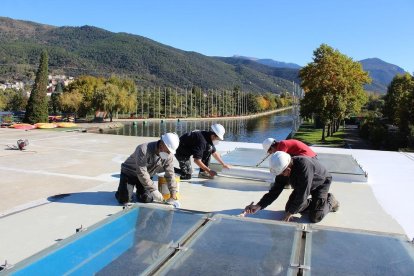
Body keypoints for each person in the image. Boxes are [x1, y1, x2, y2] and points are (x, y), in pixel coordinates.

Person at [244, 151, 339, 223]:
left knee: (315, 217)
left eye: (282, 173)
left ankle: (330, 201)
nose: (281, 176)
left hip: (321, 183)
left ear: (288, 170)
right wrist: (259, 205)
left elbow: (303, 193)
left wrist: (291, 213)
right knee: (289, 208)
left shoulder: (304, 166)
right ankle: (313, 203)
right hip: (303, 185)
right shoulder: (282, 170)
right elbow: (274, 191)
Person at [115, 132, 180, 206]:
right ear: (161, 144)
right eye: (168, 151)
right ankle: (120, 192)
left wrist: (173, 194)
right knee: (125, 200)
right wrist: (153, 189)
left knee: (147, 198)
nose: (169, 153)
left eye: (170, 152)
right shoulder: (143, 149)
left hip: (145, 177)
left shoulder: (168, 156)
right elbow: (141, 172)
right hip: (129, 173)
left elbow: (170, 174)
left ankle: (138, 191)